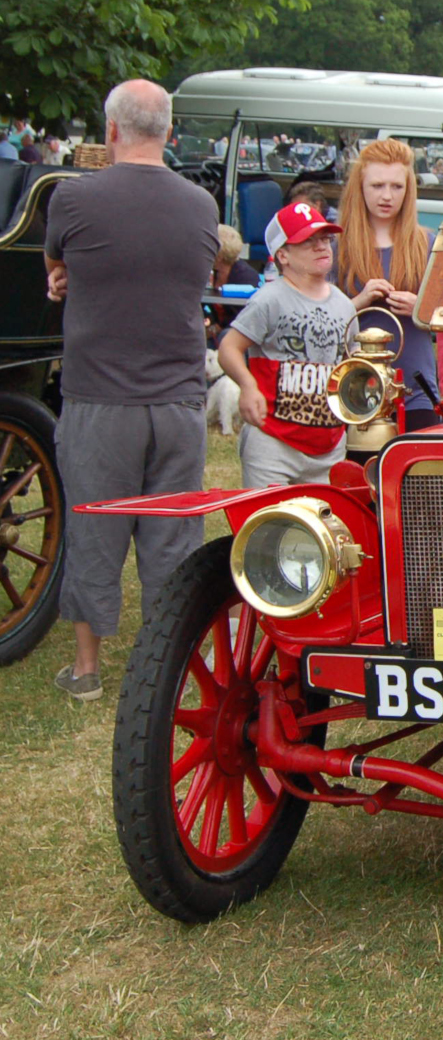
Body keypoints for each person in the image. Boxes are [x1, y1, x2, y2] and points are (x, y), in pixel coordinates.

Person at [43, 78, 219, 702]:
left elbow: (58, 268)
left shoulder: (71, 198)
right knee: (172, 540)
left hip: (100, 398)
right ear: (169, 134)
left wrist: (63, 282)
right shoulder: (201, 205)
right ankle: (168, 673)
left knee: (94, 530)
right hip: (178, 399)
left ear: (111, 131)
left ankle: (87, 672)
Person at [218, 203, 354, 488]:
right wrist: (247, 385)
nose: (321, 247)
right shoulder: (270, 298)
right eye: (307, 241)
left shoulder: (344, 304)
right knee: (270, 527)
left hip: (328, 446)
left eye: (325, 239)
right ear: (283, 255)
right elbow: (229, 347)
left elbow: (348, 365)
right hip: (274, 442)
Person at [334, 137, 439, 430]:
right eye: (377, 186)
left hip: (416, 391)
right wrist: (358, 301)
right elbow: (322, 316)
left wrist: (421, 309)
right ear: (360, 187)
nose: (387, 196)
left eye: (397, 187)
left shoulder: (429, 245)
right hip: (355, 390)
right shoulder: (337, 246)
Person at [205, 224, 261, 345]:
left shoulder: (246, 277)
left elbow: (245, 317)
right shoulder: (211, 273)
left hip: (238, 331)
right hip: (214, 329)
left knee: (226, 336)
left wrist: (215, 329)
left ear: (219, 256)